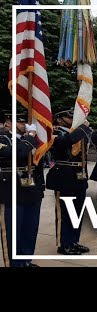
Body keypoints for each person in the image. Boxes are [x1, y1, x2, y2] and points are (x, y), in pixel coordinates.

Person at [0, 111, 44, 267]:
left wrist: (41, 188)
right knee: (12, 232)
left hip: (31, 189)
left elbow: (38, 164)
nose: (24, 125)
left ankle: (25, 260)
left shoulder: (32, 140)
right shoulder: (3, 138)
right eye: (20, 122)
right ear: (8, 123)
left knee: (29, 228)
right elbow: (17, 153)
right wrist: (30, 136)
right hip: (10, 190)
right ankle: (13, 264)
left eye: (26, 122)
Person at [46, 109, 92, 255]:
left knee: (77, 211)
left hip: (78, 174)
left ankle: (73, 241)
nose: (72, 119)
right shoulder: (54, 132)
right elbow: (67, 141)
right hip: (63, 176)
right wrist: (83, 127)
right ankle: (63, 244)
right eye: (68, 117)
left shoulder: (78, 132)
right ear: (59, 119)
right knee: (64, 212)